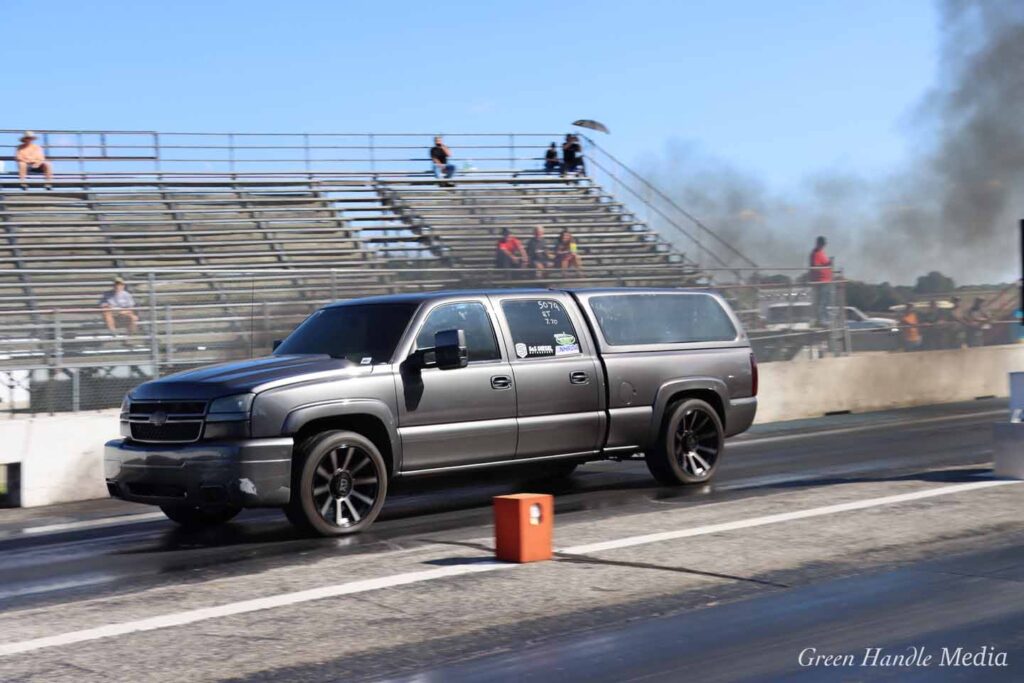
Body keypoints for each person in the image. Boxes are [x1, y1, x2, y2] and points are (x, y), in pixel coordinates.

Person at [809, 236, 834, 326]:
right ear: (819, 243)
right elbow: (815, 267)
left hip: (826, 281)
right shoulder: (815, 253)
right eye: (823, 243)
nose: (824, 245)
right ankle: (822, 321)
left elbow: (822, 264)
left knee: (826, 302)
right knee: (822, 303)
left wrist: (827, 264)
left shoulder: (821, 253)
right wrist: (826, 265)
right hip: (821, 282)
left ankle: (825, 319)